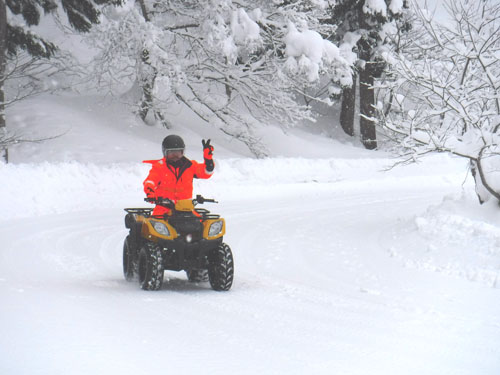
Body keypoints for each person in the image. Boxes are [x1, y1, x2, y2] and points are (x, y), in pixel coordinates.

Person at [143, 135, 214, 216]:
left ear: (182, 152)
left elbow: (206, 172)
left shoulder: (190, 165)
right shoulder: (159, 167)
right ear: (165, 153)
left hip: (186, 209)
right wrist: (150, 193)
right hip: (164, 209)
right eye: (171, 153)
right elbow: (150, 181)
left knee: (202, 225)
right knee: (154, 225)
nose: (175, 156)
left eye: (178, 152)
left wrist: (208, 159)